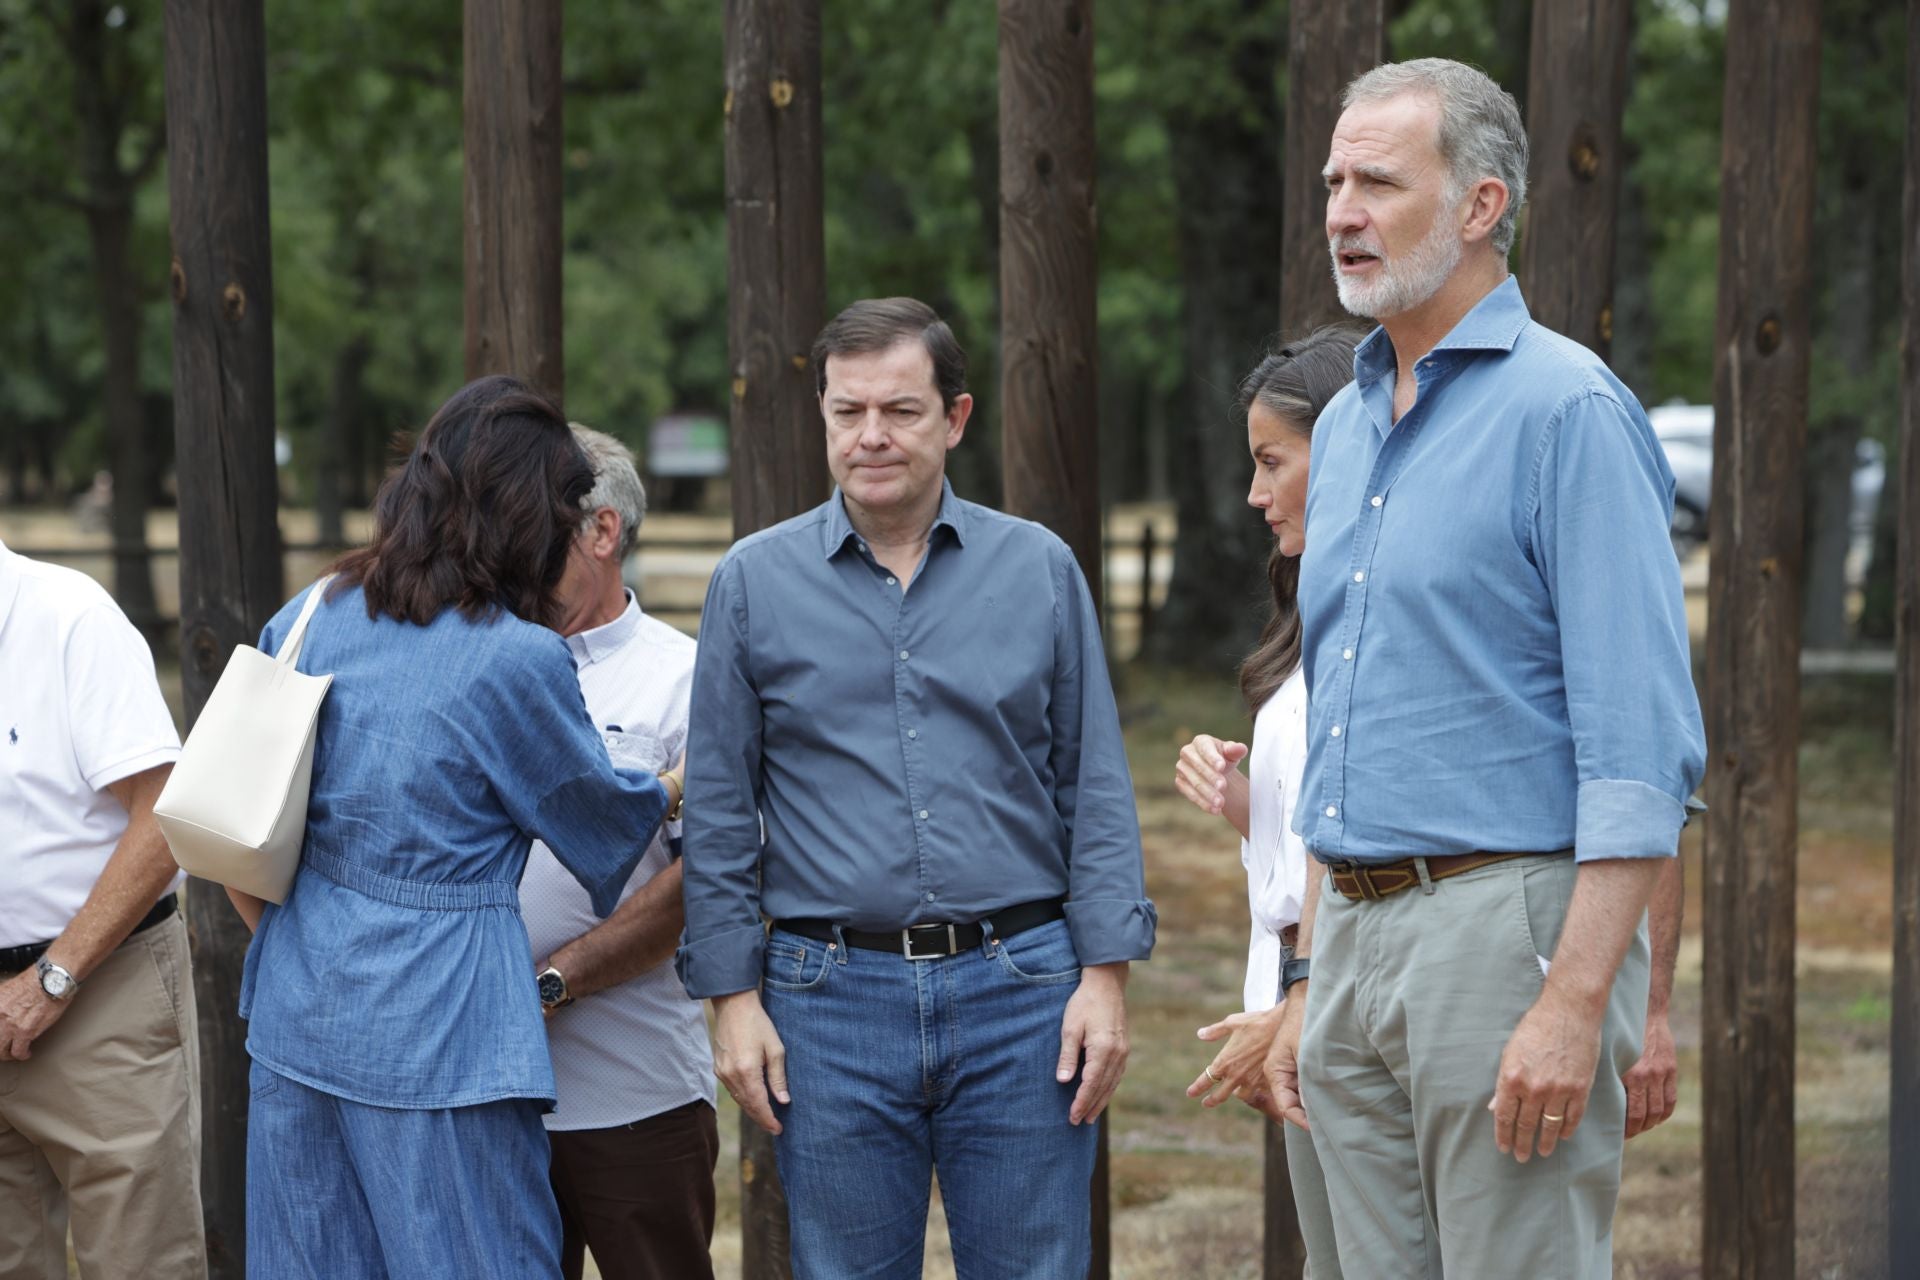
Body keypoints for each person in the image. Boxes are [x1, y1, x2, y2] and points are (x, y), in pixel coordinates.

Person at [1263, 58, 1707, 1278]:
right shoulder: (1346, 424)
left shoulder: (1571, 411)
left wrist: (1574, 1004)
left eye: (1379, 182)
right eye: (1334, 182)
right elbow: (1341, 722)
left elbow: (1639, 752)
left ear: (1481, 206)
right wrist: (1307, 973)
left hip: (1502, 931)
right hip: (1348, 938)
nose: (1343, 210)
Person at [677, 297, 1155, 1279]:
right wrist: (731, 996)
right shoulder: (752, 584)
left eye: (900, 409)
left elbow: (1094, 787)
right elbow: (720, 810)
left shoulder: (1041, 571)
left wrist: (1103, 977)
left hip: (1023, 990)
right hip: (827, 999)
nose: (872, 436)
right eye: (847, 412)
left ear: (957, 417)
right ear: (821, 420)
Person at [232, 376, 683, 1279]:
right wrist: (676, 783)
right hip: (444, 1026)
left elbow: (243, 818)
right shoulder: (515, 657)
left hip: (295, 1006)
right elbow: (601, 821)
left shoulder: (321, 608)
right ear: (526, 514)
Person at [1172, 329, 1362, 1280]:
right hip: (1292, 996)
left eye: (1271, 463)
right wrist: (1241, 795)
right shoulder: (1308, 600)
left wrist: (1298, 996)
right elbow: (1314, 823)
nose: (1254, 494)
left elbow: (1363, 831)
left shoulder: (1378, 615)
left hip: (1332, 993)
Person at [520, 425, 718, 1280]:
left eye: (530, 526)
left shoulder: (687, 678)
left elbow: (707, 878)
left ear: (603, 532)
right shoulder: (478, 665)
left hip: (635, 1091)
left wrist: (557, 981)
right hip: (492, 1093)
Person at [0, 540, 204, 1279]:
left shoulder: (70, 616)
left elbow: (165, 818)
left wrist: (53, 979)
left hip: (98, 993)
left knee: (141, 1260)